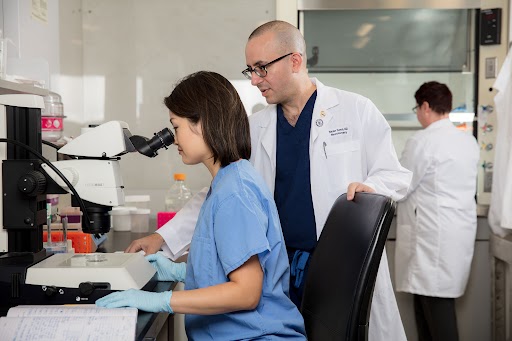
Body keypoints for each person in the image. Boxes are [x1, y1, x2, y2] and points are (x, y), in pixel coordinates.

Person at [126, 20, 412, 340]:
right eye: (250, 70)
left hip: (335, 269)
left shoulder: (355, 110)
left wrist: (372, 189)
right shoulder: (257, 125)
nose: (255, 81)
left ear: (295, 60)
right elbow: (219, 195)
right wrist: (163, 238)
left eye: (261, 68)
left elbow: (395, 174)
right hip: (279, 267)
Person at [97, 71, 307, 340]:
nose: (174, 140)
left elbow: (247, 292)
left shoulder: (234, 193)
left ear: (203, 124)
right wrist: (181, 270)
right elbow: (226, 267)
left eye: (176, 127)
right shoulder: (229, 180)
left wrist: (162, 301)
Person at [395, 81, 480, 341]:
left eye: (417, 108)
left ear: (425, 106)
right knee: (429, 308)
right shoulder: (468, 141)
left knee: (436, 313)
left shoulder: (423, 141)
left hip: (433, 239)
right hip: (455, 234)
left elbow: (401, 185)